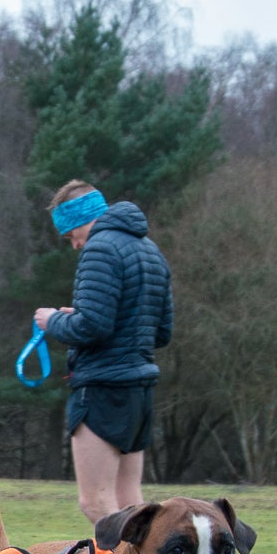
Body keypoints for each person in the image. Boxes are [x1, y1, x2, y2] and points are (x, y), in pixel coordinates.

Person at [32, 180, 173, 528]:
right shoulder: (150, 250)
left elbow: (91, 328)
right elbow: (161, 332)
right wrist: (78, 317)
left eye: (70, 236)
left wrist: (54, 321)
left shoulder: (100, 249)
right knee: (130, 502)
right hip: (139, 390)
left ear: (81, 220)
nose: (75, 245)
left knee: (96, 503)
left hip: (103, 390)